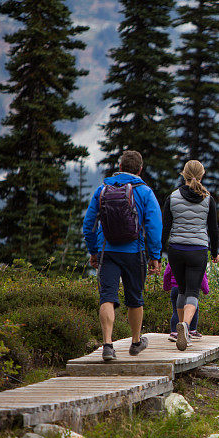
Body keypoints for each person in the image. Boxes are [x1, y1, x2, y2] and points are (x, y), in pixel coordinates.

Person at [83, 150, 163, 361]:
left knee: (107, 297)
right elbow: (154, 226)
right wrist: (154, 256)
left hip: (107, 250)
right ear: (140, 169)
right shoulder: (145, 192)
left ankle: (108, 345)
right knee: (135, 299)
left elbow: (88, 224)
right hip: (134, 252)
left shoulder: (102, 190)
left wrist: (93, 251)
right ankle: (136, 342)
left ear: (119, 168)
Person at [162, 160, 219, 351]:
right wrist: (215, 252)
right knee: (193, 292)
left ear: (183, 174)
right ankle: (185, 326)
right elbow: (213, 229)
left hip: (176, 250)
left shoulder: (172, 197)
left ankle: (179, 329)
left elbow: (166, 228)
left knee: (182, 290)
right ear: (201, 176)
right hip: (198, 250)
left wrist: (161, 250)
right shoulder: (208, 199)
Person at [163, 262, 209, 342]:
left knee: (176, 311)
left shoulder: (175, 257)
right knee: (193, 309)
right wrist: (205, 290)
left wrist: (166, 287)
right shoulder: (196, 258)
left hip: (175, 288)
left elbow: (167, 273)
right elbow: (202, 276)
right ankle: (192, 330)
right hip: (191, 288)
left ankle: (174, 332)